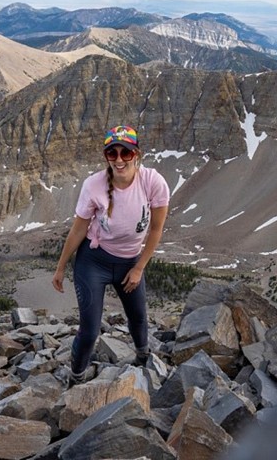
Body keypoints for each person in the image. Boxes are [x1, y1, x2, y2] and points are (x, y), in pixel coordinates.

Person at [52, 125, 170, 382]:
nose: (119, 160)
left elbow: (157, 229)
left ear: (136, 154)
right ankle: (76, 377)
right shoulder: (93, 185)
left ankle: (142, 360)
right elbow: (79, 228)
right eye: (112, 154)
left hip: (130, 262)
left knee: (138, 317)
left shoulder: (153, 182)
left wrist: (139, 268)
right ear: (106, 156)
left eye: (125, 153)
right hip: (94, 262)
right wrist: (61, 267)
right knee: (90, 330)